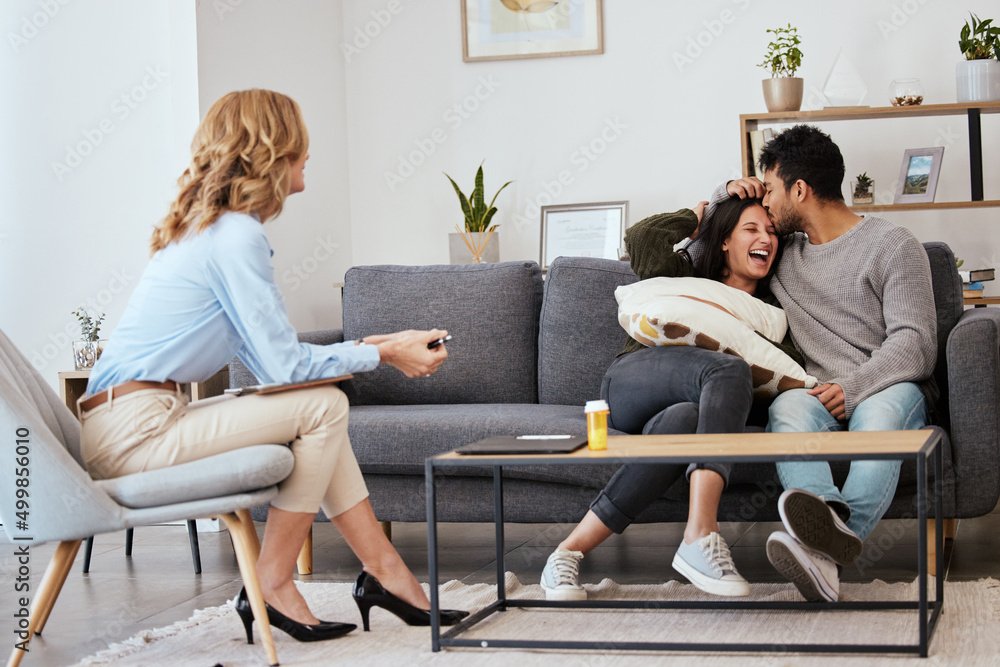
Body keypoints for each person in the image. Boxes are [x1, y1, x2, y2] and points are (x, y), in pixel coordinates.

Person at [78, 89, 467, 643]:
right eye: (301, 143)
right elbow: (285, 368)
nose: (308, 154)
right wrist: (383, 354)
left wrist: (372, 344)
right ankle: (273, 582)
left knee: (319, 415)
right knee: (324, 406)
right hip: (136, 430)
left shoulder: (212, 228)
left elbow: (269, 359)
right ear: (273, 149)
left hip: (133, 418)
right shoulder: (235, 235)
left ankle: (386, 574)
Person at [540, 193, 801, 600]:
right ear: (725, 242)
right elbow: (642, 238)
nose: (765, 238)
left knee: (684, 421)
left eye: (771, 232)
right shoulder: (688, 274)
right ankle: (700, 534)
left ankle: (566, 551)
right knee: (728, 367)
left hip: (685, 410)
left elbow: (783, 375)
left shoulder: (771, 314)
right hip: (634, 383)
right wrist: (694, 218)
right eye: (751, 229)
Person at [722, 124, 937, 603]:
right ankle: (825, 536)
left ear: (800, 189)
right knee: (787, 409)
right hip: (819, 394)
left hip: (890, 386)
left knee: (880, 414)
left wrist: (855, 388)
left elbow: (916, 343)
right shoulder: (781, 255)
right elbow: (705, 248)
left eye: (772, 189)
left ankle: (823, 549)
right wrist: (726, 194)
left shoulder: (894, 245)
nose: (767, 203)